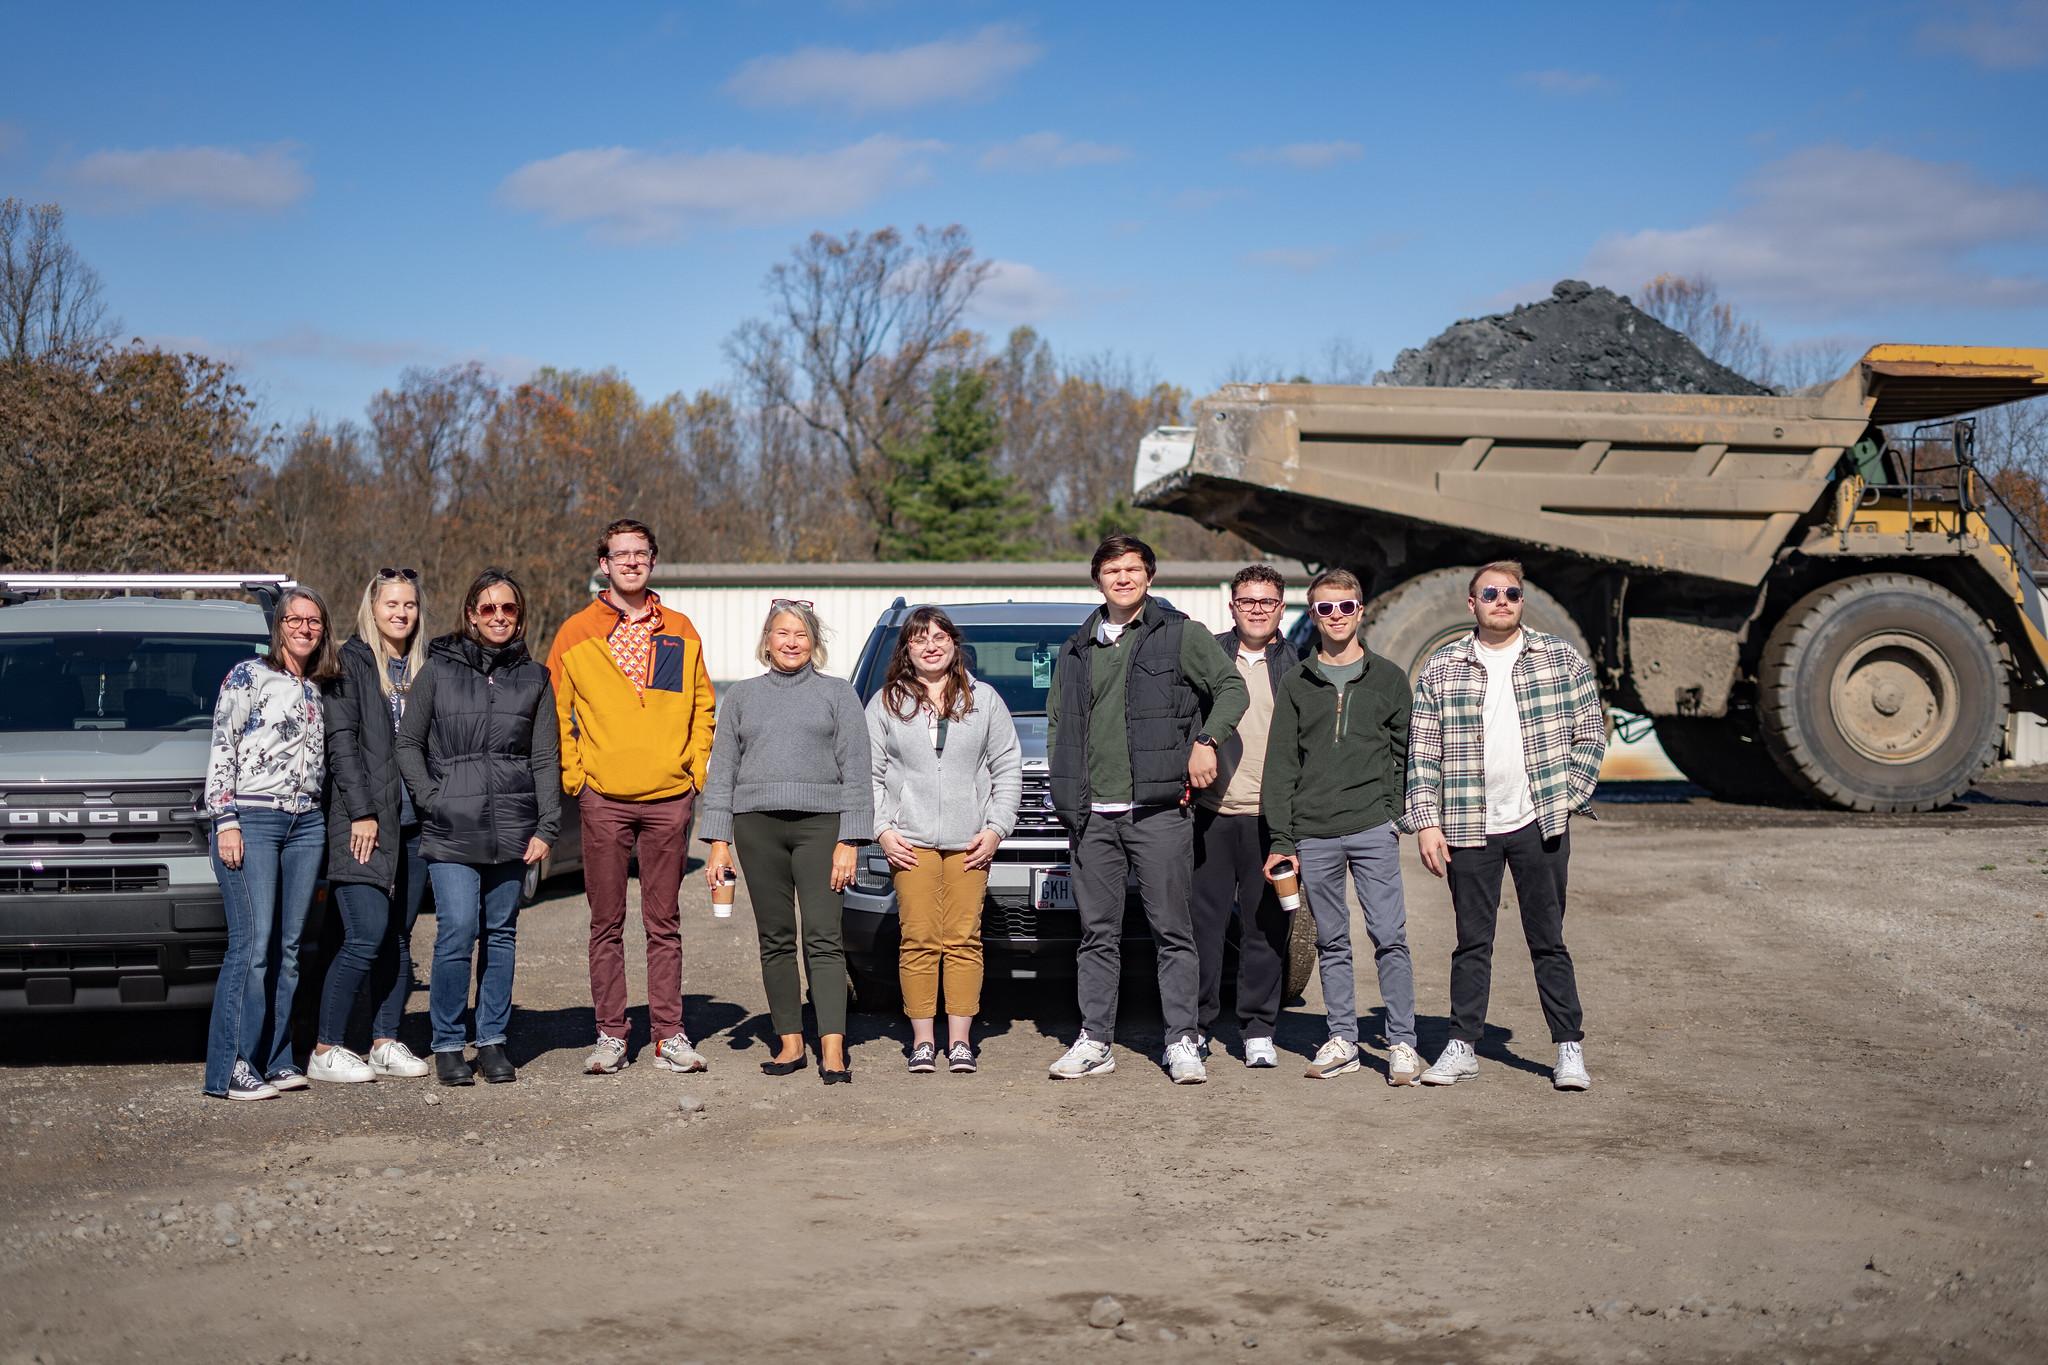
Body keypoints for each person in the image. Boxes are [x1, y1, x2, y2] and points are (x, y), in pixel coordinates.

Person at [1045, 535, 1248, 1085]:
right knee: (1096, 935)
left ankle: (1182, 1040)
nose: (1123, 578)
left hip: (1157, 813)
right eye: (1112, 569)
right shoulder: (1076, 647)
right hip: (1094, 818)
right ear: (1098, 579)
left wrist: (1206, 740)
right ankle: (1095, 1041)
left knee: (1172, 932)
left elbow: (1232, 689)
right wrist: (1070, 800)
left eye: (1133, 569)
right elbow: (1060, 726)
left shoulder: (1181, 635)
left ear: (1150, 577)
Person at [1405, 561, 1606, 1091]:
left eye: (1511, 593)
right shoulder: (1443, 667)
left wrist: (1564, 799)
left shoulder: (1559, 659)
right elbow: (1422, 753)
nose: (1501, 600)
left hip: (1538, 823)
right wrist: (1426, 823)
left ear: (1522, 601)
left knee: (1548, 940)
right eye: (1489, 593)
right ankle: (1462, 1047)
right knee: (1472, 941)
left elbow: (1591, 733)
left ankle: (1569, 1050)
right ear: (1471, 604)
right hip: (1468, 825)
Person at [546, 519, 717, 1079]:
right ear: (604, 564)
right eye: (621, 555)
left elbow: (702, 709)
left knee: (664, 922)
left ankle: (669, 1034)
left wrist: (693, 770)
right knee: (606, 923)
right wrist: (578, 777)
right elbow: (556, 714)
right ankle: (611, 1035)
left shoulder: (681, 629)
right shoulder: (575, 632)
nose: (631, 562)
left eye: (641, 554)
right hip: (604, 800)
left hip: (670, 798)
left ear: (652, 561)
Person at [396, 568, 562, 1088]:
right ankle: (447, 1042)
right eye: (487, 609)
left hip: (513, 830)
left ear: (519, 617)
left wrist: (548, 824)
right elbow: (408, 743)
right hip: (451, 830)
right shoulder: (438, 672)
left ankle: (492, 1039)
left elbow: (545, 757)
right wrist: (431, 799)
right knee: (457, 932)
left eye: (507, 609)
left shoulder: (535, 678)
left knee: (502, 935)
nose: (498, 617)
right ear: (471, 614)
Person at [699, 600, 873, 1084]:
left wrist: (851, 839)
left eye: (801, 633)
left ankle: (833, 1047)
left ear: (814, 642)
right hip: (757, 828)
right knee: (774, 938)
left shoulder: (838, 694)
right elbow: (723, 772)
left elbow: (858, 771)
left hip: (822, 828)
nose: (791, 642)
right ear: (767, 639)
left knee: (823, 936)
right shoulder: (740, 697)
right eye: (782, 633)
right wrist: (718, 840)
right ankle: (790, 1041)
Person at [1262, 569, 1422, 1085]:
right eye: (1325, 608)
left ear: (1361, 611)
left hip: (1372, 827)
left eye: (1345, 607)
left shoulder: (1390, 678)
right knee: (1331, 941)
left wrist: (1392, 813)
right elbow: (1282, 764)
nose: (1336, 616)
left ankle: (1401, 1042)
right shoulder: (1296, 682)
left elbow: (1405, 753)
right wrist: (1284, 839)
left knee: (1389, 937)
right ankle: (1343, 1040)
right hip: (1314, 832)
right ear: (1312, 615)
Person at [866, 607, 1023, 1075]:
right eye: (919, 639)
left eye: (939, 636)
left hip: (969, 841)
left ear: (954, 644)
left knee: (963, 939)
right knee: (917, 938)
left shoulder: (984, 698)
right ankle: (921, 1041)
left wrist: (996, 828)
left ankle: (959, 1043)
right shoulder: (886, 702)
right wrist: (883, 829)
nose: (931, 645)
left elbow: (1007, 767)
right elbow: (868, 772)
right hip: (907, 841)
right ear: (907, 650)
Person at [202, 586, 339, 1100]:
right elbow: (223, 745)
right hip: (253, 818)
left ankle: (277, 1059)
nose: (305, 628)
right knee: (252, 947)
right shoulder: (248, 675)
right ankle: (232, 1067)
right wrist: (226, 819)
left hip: (306, 823)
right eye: (295, 620)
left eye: (314, 622)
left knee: (289, 951)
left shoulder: (317, 687)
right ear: (278, 625)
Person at [308, 569, 435, 1083]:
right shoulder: (350, 663)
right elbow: (341, 745)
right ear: (372, 607)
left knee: (399, 938)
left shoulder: (425, 666)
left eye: (409, 605)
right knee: (364, 933)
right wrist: (360, 812)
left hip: (414, 826)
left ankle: (385, 1039)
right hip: (362, 822)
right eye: (391, 604)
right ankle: (325, 1048)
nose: (400, 613)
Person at [1191, 564, 1299, 1069]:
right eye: (1248, 601)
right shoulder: (1207, 656)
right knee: (1202, 927)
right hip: (1210, 813)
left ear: (1282, 607)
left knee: (1266, 926)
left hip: (1270, 820)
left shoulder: (1298, 664)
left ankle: (1258, 1028)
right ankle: (1196, 1025)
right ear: (1233, 606)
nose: (1258, 609)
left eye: (1268, 601)